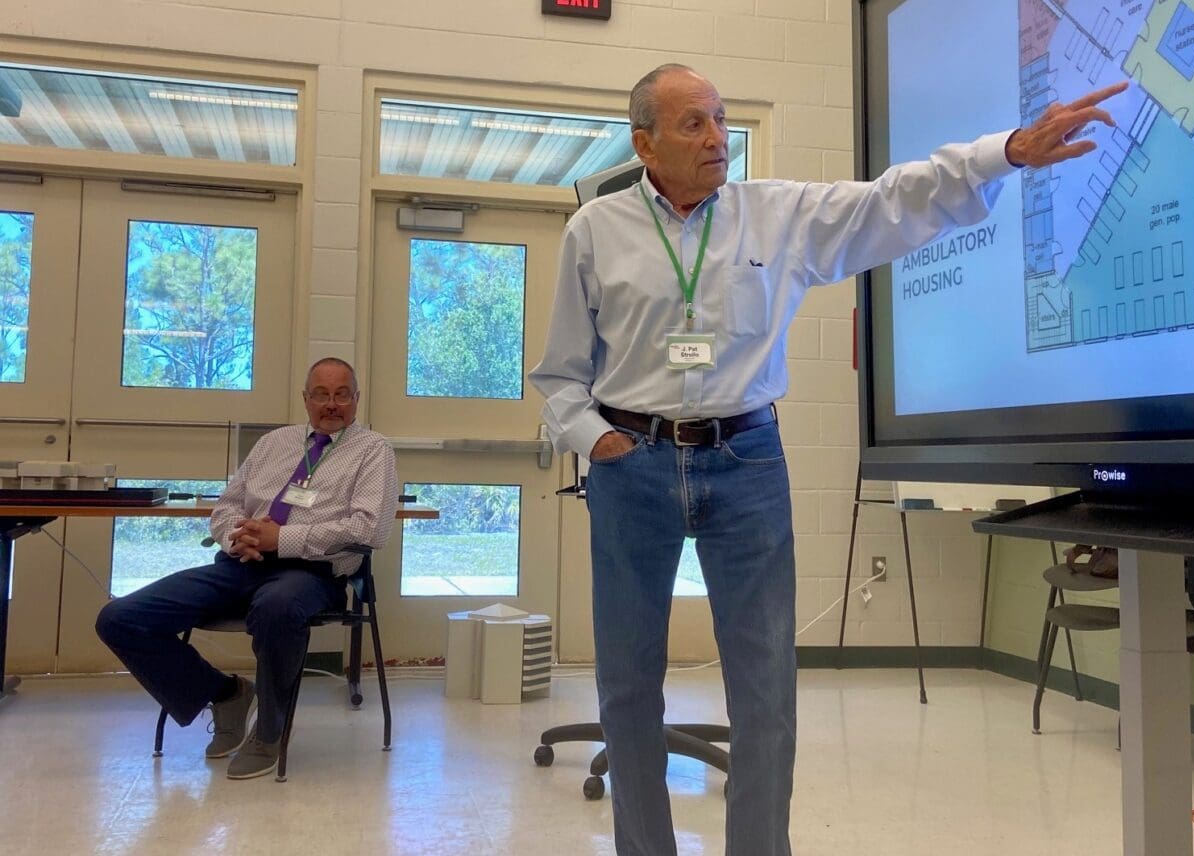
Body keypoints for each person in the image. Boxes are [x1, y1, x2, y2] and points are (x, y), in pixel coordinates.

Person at [529, 63, 1125, 855]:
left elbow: (890, 199)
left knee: (765, 685)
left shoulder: (774, 215)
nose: (716, 138)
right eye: (693, 124)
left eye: (720, 117)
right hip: (631, 462)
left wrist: (1006, 151)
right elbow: (559, 375)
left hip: (745, 461)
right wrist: (594, 439)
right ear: (644, 144)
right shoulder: (594, 231)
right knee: (628, 683)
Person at [96, 357, 399, 780]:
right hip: (241, 563)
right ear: (306, 399)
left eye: (341, 394)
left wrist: (282, 539)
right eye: (321, 394)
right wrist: (234, 536)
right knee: (120, 619)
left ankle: (270, 730)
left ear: (357, 399)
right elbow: (227, 506)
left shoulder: (373, 450)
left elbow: (370, 529)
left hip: (311, 572)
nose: (331, 404)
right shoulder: (274, 442)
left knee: (277, 607)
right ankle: (227, 694)